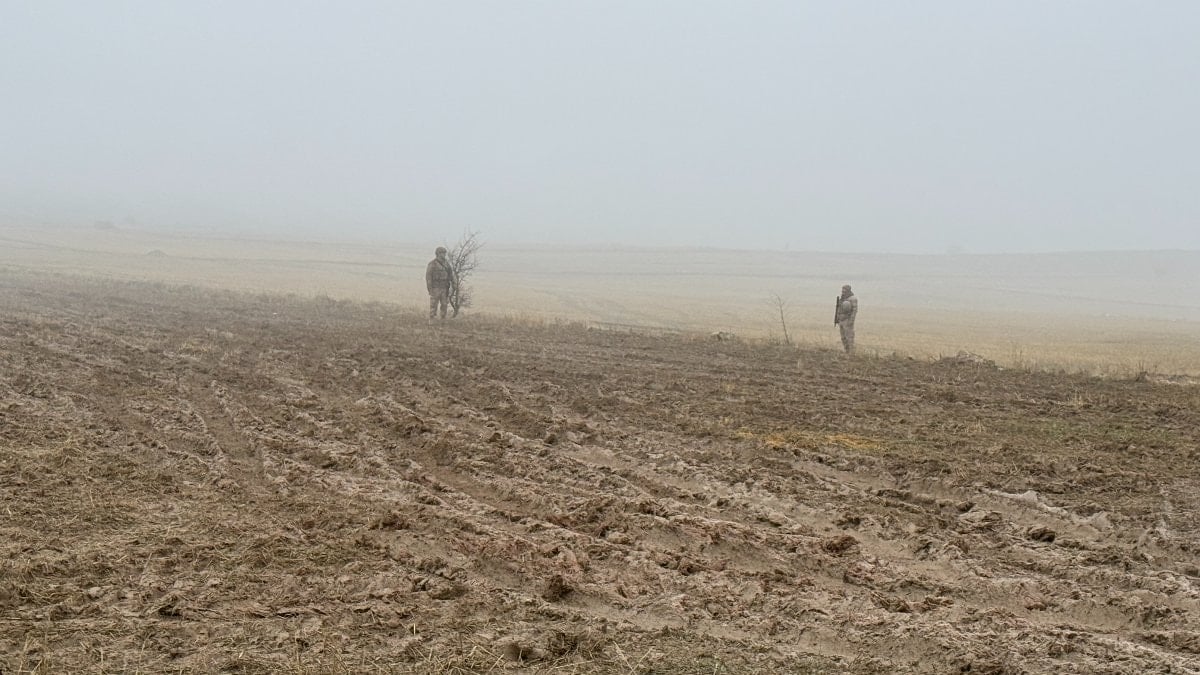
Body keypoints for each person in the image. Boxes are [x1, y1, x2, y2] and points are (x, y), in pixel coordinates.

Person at [425, 246, 457, 320]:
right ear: (438, 254)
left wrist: (454, 283)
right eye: (442, 253)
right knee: (434, 304)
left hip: (444, 287)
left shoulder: (446, 264)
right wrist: (430, 289)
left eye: (444, 253)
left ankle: (443, 319)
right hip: (435, 287)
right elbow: (428, 277)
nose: (444, 255)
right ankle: (432, 319)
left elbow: (451, 274)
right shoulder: (432, 264)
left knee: (444, 304)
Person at [835, 284, 858, 353]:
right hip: (841, 320)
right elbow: (839, 309)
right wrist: (837, 318)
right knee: (843, 337)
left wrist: (851, 321)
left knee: (849, 337)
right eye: (842, 290)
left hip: (847, 320)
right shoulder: (842, 298)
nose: (843, 291)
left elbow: (854, 310)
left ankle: (851, 352)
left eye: (844, 290)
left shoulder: (853, 299)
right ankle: (846, 350)